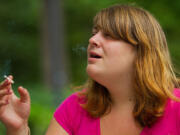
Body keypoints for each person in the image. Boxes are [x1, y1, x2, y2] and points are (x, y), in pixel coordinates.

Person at [0, 4, 180, 135]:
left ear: (141, 51)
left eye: (109, 35)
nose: (92, 40)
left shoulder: (177, 108)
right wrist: (18, 130)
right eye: (95, 33)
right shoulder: (75, 109)